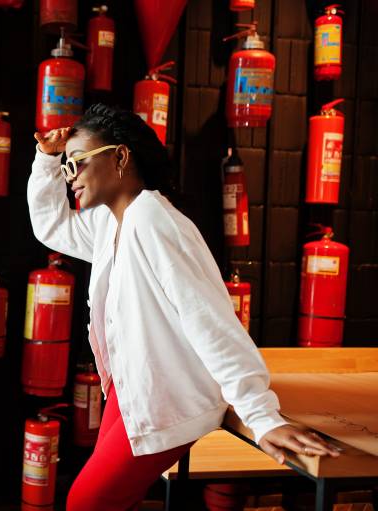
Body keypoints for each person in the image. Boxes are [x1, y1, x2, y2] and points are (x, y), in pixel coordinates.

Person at [27, 103, 341, 510]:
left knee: (86, 502)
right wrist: (47, 160)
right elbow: (52, 227)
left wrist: (260, 415)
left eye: (77, 163)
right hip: (130, 389)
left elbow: (209, 319)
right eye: (67, 168)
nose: (71, 178)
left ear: (120, 156)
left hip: (167, 396)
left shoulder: (154, 222)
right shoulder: (112, 222)